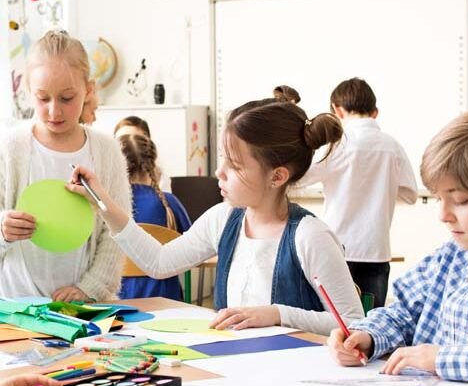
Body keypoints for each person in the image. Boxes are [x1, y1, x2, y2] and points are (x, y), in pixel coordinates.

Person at [67, 101, 365, 335]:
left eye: (234, 165)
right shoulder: (223, 219)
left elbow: (353, 323)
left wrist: (277, 314)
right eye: (223, 159)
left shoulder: (309, 236)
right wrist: (103, 201)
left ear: (277, 177)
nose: (219, 172)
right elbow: (159, 263)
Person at [327, 107, 468, 386]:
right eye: (438, 199)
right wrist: (367, 336)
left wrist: (441, 358)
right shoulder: (448, 258)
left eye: (460, 200)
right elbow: (404, 313)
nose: (443, 215)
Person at [0, 30, 131, 302]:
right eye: (43, 98)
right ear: (29, 91)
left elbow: (116, 233)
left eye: (67, 98)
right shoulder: (9, 148)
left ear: (88, 90)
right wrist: (3, 229)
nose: (54, 111)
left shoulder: (106, 151)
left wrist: (90, 288)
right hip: (15, 308)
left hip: (83, 309)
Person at [299, 77, 418, 308]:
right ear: (375, 112)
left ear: (336, 109)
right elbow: (410, 194)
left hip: (337, 246)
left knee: (333, 318)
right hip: (376, 249)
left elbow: (298, 179)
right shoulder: (392, 146)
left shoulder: (337, 145)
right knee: (372, 320)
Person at [118, 133, 192, 300]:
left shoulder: (108, 208)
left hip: (116, 301)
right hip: (166, 300)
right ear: (152, 165)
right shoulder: (168, 203)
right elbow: (193, 245)